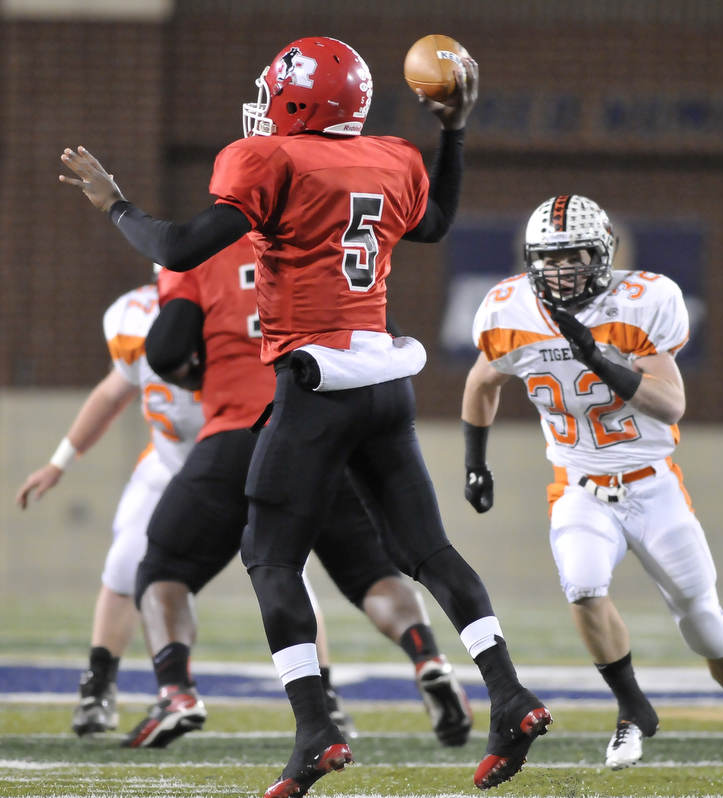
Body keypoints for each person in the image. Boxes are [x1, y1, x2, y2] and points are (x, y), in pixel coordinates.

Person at [60, 35, 551, 796]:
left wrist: (116, 204)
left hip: (315, 385)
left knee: (270, 556)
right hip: (386, 380)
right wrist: (454, 131)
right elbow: (438, 222)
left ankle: (316, 731)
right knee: (427, 552)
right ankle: (508, 694)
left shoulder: (271, 162)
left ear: (296, 99)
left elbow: (185, 246)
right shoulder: (392, 157)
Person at [460, 194, 723, 783]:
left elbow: (672, 404)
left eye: (575, 256)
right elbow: (483, 380)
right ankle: (630, 707)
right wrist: (475, 463)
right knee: (584, 585)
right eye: (549, 258)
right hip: (579, 483)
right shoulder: (507, 309)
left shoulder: (643, 300)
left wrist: (596, 356)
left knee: (704, 623)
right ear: (529, 260)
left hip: (653, 486)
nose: (562, 270)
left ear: (604, 255)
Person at [120, 236, 472, 750]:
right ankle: (427, 657)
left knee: (164, 568)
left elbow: (166, 349)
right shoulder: (324, 243)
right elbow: (383, 340)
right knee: (370, 573)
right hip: (329, 430)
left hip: (241, 432)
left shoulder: (200, 252)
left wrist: (201, 373)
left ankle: (177, 691)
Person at [15, 279, 204, 737]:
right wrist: (58, 462)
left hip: (241, 464)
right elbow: (112, 392)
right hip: (168, 463)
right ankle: (99, 687)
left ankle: (323, 693)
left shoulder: (237, 307)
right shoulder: (136, 318)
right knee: (124, 567)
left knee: (282, 570)